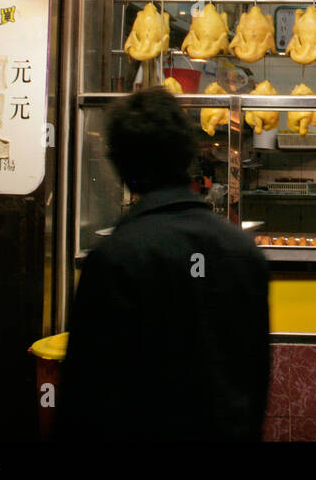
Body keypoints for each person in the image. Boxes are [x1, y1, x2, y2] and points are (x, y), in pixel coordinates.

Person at [59, 89, 270, 441]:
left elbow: (85, 396)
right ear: (188, 154)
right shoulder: (243, 252)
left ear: (120, 166)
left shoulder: (115, 259)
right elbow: (256, 379)